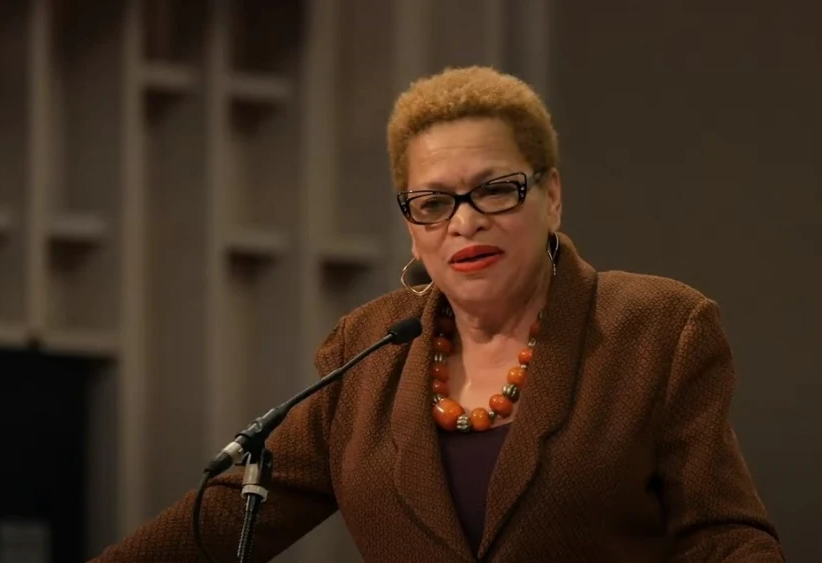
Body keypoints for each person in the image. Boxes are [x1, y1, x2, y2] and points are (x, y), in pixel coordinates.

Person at [91, 66, 784, 562]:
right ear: (412, 223)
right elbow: (219, 525)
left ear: (552, 197)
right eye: (434, 202)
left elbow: (722, 537)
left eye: (496, 191)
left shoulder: (656, 328)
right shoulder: (366, 349)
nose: (466, 223)